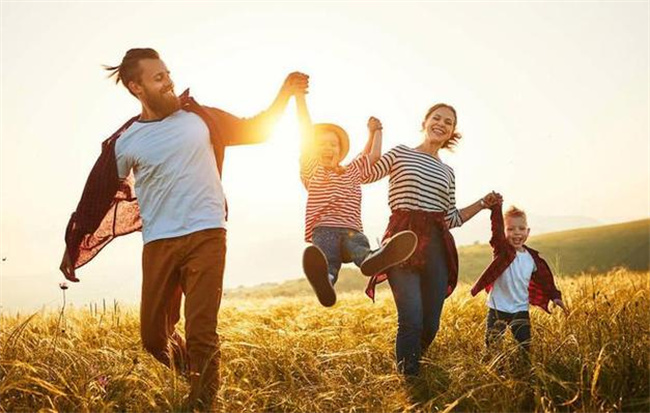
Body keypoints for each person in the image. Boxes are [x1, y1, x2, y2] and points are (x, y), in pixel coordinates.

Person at [58, 48, 308, 409]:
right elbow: (97, 197)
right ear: (136, 87)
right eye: (158, 77)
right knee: (153, 338)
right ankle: (198, 375)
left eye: (168, 73)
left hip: (207, 234)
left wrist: (284, 91)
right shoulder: (126, 140)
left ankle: (203, 400)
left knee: (201, 330)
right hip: (159, 242)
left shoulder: (200, 118)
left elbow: (257, 129)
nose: (169, 81)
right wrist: (73, 243)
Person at [362, 103, 501, 376]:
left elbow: (451, 218)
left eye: (448, 122)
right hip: (402, 241)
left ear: (452, 132)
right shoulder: (401, 153)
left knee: (430, 325)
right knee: (411, 319)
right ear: (424, 122)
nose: (441, 124)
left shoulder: (448, 173)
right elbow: (368, 174)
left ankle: (413, 361)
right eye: (436, 118)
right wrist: (375, 133)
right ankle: (410, 381)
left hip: (437, 245)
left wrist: (483, 203)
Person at [295, 92, 417, 307]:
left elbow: (373, 155)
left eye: (333, 145)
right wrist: (300, 99)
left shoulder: (352, 171)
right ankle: (327, 282)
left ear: (340, 151)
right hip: (324, 230)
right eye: (321, 144)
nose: (327, 148)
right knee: (327, 261)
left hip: (352, 230)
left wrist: (376, 132)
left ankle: (372, 260)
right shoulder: (312, 170)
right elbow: (305, 130)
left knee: (360, 249)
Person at [470, 203, 568, 358]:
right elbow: (496, 228)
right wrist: (496, 207)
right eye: (510, 229)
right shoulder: (502, 251)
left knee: (524, 348)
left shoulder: (532, 258)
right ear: (504, 232)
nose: (517, 233)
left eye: (521, 229)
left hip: (520, 310)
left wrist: (555, 296)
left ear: (528, 232)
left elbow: (545, 280)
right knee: (492, 348)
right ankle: (491, 373)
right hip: (497, 309)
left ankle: (524, 373)